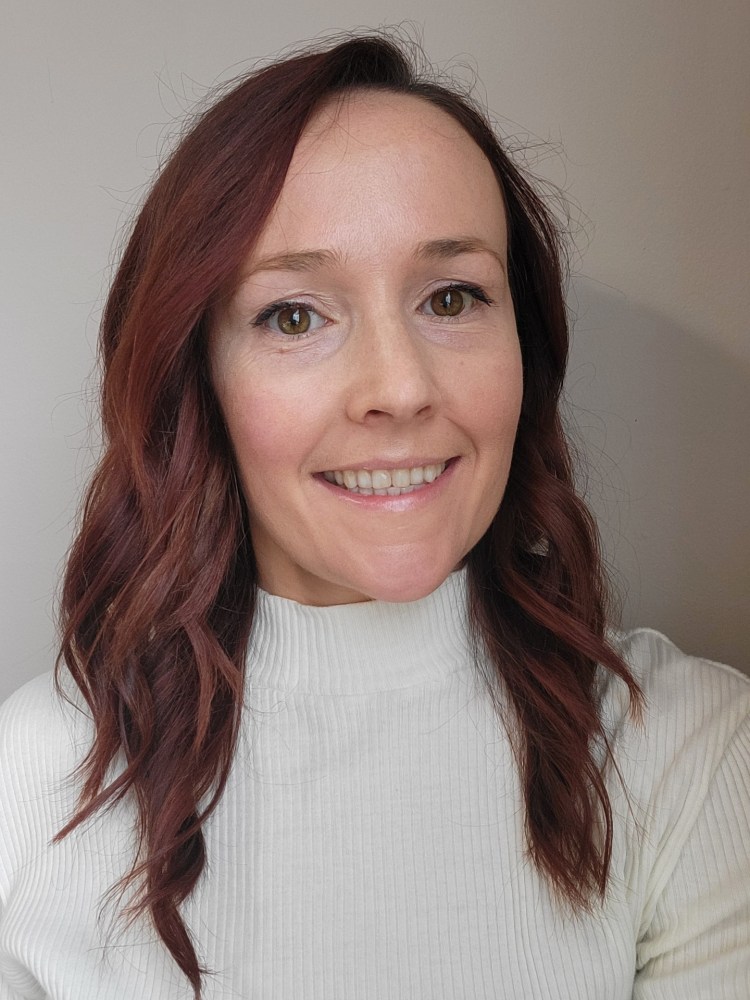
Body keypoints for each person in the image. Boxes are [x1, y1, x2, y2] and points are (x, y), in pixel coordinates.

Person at [0, 32, 748, 1000]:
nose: (398, 388)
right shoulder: (28, 785)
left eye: (452, 296)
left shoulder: (692, 754)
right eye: (295, 315)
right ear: (199, 380)